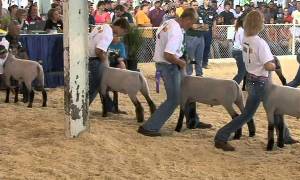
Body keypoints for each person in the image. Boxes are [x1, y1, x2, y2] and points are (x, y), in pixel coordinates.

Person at [214, 11, 297, 151]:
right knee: (249, 114)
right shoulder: (260, 42)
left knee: (275, 108)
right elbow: (268, 65)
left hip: (252, 78)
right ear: (260, 24)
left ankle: (285, 136)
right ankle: (221, 136)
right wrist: (275, 65)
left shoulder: (246, 38)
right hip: (261, 82)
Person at [137, 8, 211, 137]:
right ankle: (149, 127)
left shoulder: (168, 22)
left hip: (167, 64)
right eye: (190, 23)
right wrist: (180, 62)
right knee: (174, 99)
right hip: (169, 66)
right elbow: (168, 55)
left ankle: (193, 120)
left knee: (188, 91)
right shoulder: (176, 31)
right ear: (186, 19)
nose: (190, 26)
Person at [88, 18, 130, 110]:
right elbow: (99, 51)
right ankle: (82, 108)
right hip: (95, 60)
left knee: (99, 85)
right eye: (123, 32)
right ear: (120, 27)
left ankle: (109, 107)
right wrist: (105, 63)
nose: (121, 35)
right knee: (95, 86)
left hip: (89, 58)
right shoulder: (109, 34)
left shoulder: (102, 26)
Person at [198, 0, 217, 69]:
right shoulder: (199, 8)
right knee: (200, 47)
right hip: (200, 31)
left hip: (209, 31)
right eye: (207, 0)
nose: (209, 1)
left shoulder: (212, 9)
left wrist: (214, 31)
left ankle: (205, 63)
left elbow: (214, 21)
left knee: (207, 47)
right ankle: (199, 62)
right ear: (204, 1)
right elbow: (197, 20)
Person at [232, 15, 245, 84]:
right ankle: (231, 86)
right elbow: (243, 43)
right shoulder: (242, 30)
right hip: (240, 52)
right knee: (241, 73)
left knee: (245, 71)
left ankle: (248, 86)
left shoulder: (238, 29)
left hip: (236, 51)